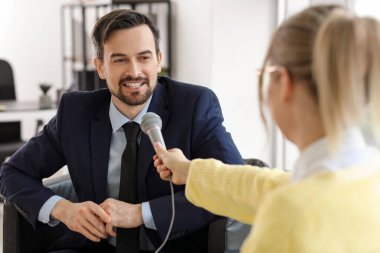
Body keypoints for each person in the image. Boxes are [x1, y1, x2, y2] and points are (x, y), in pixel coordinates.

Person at [0, 9, 244, 253]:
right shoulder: (75, 112)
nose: (135, 71)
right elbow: (11, 172)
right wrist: (64, 210)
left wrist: (140, 214)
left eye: (144, 57)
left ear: (159, 60)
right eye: (120, 60)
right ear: (100, 67)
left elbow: (233, 187)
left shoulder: (194, 106)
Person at [154, 5, 380, 253]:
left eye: (265, 74)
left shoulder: (291, 217)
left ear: (284, 82)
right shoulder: (364, 175)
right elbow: (271, 185)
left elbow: (285, 197)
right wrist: (189, 171)